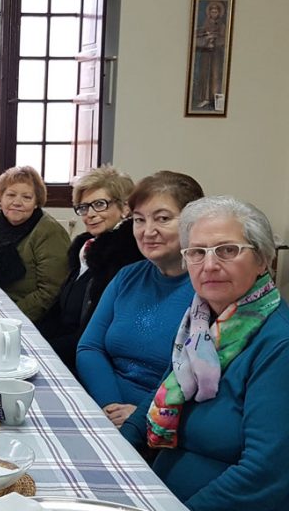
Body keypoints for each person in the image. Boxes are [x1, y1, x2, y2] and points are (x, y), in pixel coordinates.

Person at [121, 196, 289, 511]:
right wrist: (118, 446)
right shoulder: (200, 322)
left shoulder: (279, 344)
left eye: (228, 250)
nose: (209, 265)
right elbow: (163, 390)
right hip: (159, 490)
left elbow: (266, 475)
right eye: (197, 252)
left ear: (262, 259)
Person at [77, 171, 204, 428]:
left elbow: (203, 381)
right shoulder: (128, 276)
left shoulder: (208, 288)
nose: (148, 231)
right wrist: (110, 405)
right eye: (139, 220)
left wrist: (144, 414)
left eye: (163, 218)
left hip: (164, 422)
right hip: (105, 408)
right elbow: (89, 347)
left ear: (194, 222)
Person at [37, 166, 143, 374]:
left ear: (125, 207)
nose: (90, 214)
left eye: (100, 204)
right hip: (66, 346)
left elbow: (94, 336)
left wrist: (41, 351)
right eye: (84, 207)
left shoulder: (125, 256)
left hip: (89, 360)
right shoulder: (87, 248)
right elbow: (60, 311)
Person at [0, 165, 70, 323]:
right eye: (11, 195)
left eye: (26, 197)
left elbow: (50, 291)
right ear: (0, 200)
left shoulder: (49, 231)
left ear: (36, 203)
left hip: (33, 318)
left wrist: (7, 318)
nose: (17, 202)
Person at [193, 0, 227, 110]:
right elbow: (197, 35)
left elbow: (224, 39)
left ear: (219, 13)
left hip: (217, 54)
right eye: (212, 12)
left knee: (215, 75)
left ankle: (215, 100)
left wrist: (215, 39)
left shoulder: (222, 25)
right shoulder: (205, 23)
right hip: (206, 53)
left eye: (216, 12)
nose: (214, 14)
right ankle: (205, 98)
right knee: (205, 74)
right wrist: (207, 38)